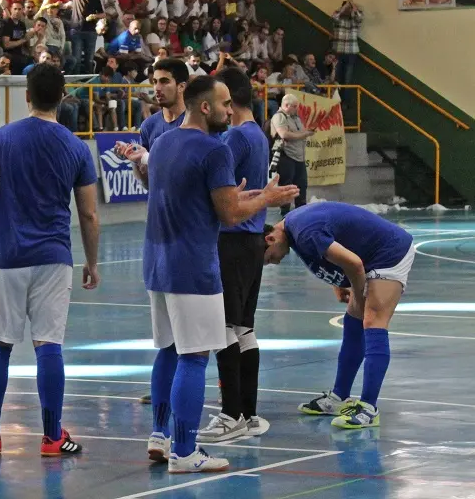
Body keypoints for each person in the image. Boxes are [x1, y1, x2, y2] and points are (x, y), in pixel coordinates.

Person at [118, 75, 297, 473]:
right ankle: (184, 452)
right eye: (225, 103)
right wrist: (266, 198)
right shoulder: (214, 150)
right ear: (204, 106)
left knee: (167, 349)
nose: (230, 110)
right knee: (195, 356)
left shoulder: (163, 143)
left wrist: (247, 196)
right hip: (193, 266)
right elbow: (229, 214)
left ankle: (160, 434)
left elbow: (199, 197)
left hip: (157, 263)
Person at [0, 64, 99, 457]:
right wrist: (92, 261)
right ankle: (52, 437)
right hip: (53, 257)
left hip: (3, 257)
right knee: (48, 343)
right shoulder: (76, 146)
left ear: (27, 96)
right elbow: (88, 214)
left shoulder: (1, 138)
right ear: (63, 96)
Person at [263, 201, 415, 430]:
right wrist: (339, 282)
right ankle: (339, 396)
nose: (274, 262)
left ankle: (369, 408)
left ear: (270, 239)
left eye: (268, 258)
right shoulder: (294, 230)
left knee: (373, 320)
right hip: (368, 252)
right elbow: (334, 252)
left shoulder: (305, 232)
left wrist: (358, 293)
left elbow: (354, 263)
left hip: (390, 251)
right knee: (353, 320)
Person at [196, 68, 272, 443]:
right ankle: (248, 412)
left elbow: (217, 183)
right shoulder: (258, 134)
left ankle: (230, 414)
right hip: (252, 241)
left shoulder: (236, 137)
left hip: (232, 239)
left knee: (224, 326)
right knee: (244, 327)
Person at [114, 59, 190, 189]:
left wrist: (147, 157)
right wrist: (136, 159)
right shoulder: (149, 125)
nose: (157, 88)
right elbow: (148, 184)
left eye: (164, 82)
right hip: (157, 202)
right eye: (155, 82)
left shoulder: (196, 124)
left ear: (181, 86)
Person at [271, 93, 313, 215]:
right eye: (294, 106)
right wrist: (304, 134)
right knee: (286, 187)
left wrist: (306, 132)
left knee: (302, 185)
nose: (296, 108)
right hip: (286, 156)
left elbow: (298, 132)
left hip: (299, 157)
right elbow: (284, 134)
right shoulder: (279, 117)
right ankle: (285, 214)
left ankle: (302, 212)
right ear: (286, 105)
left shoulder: (295, 118)